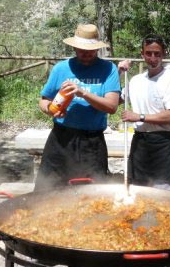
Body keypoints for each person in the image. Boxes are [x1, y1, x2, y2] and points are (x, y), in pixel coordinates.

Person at [35, 23, 121, 191]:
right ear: (74, 47)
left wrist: (83, 93)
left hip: (92, 142)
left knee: (91, 193)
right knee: (48, 189)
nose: (85, 53)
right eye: (81, 49)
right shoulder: (61, 68)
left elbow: (112, 106)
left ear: (97, 49)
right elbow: (44, 100)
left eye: (90, 50)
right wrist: (50, 109)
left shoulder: (108, 69)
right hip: (60, 139)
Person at [118, 35, 170, 191]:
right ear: (142, 54)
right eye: (149, 53)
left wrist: (139, 116)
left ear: (164, 54)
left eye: (157, 54)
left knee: (165, 193)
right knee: (138, 191)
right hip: (140, 143)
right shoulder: (135, 81)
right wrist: (118, 72)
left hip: (163, 143)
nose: (153, 58)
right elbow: (114, 101)